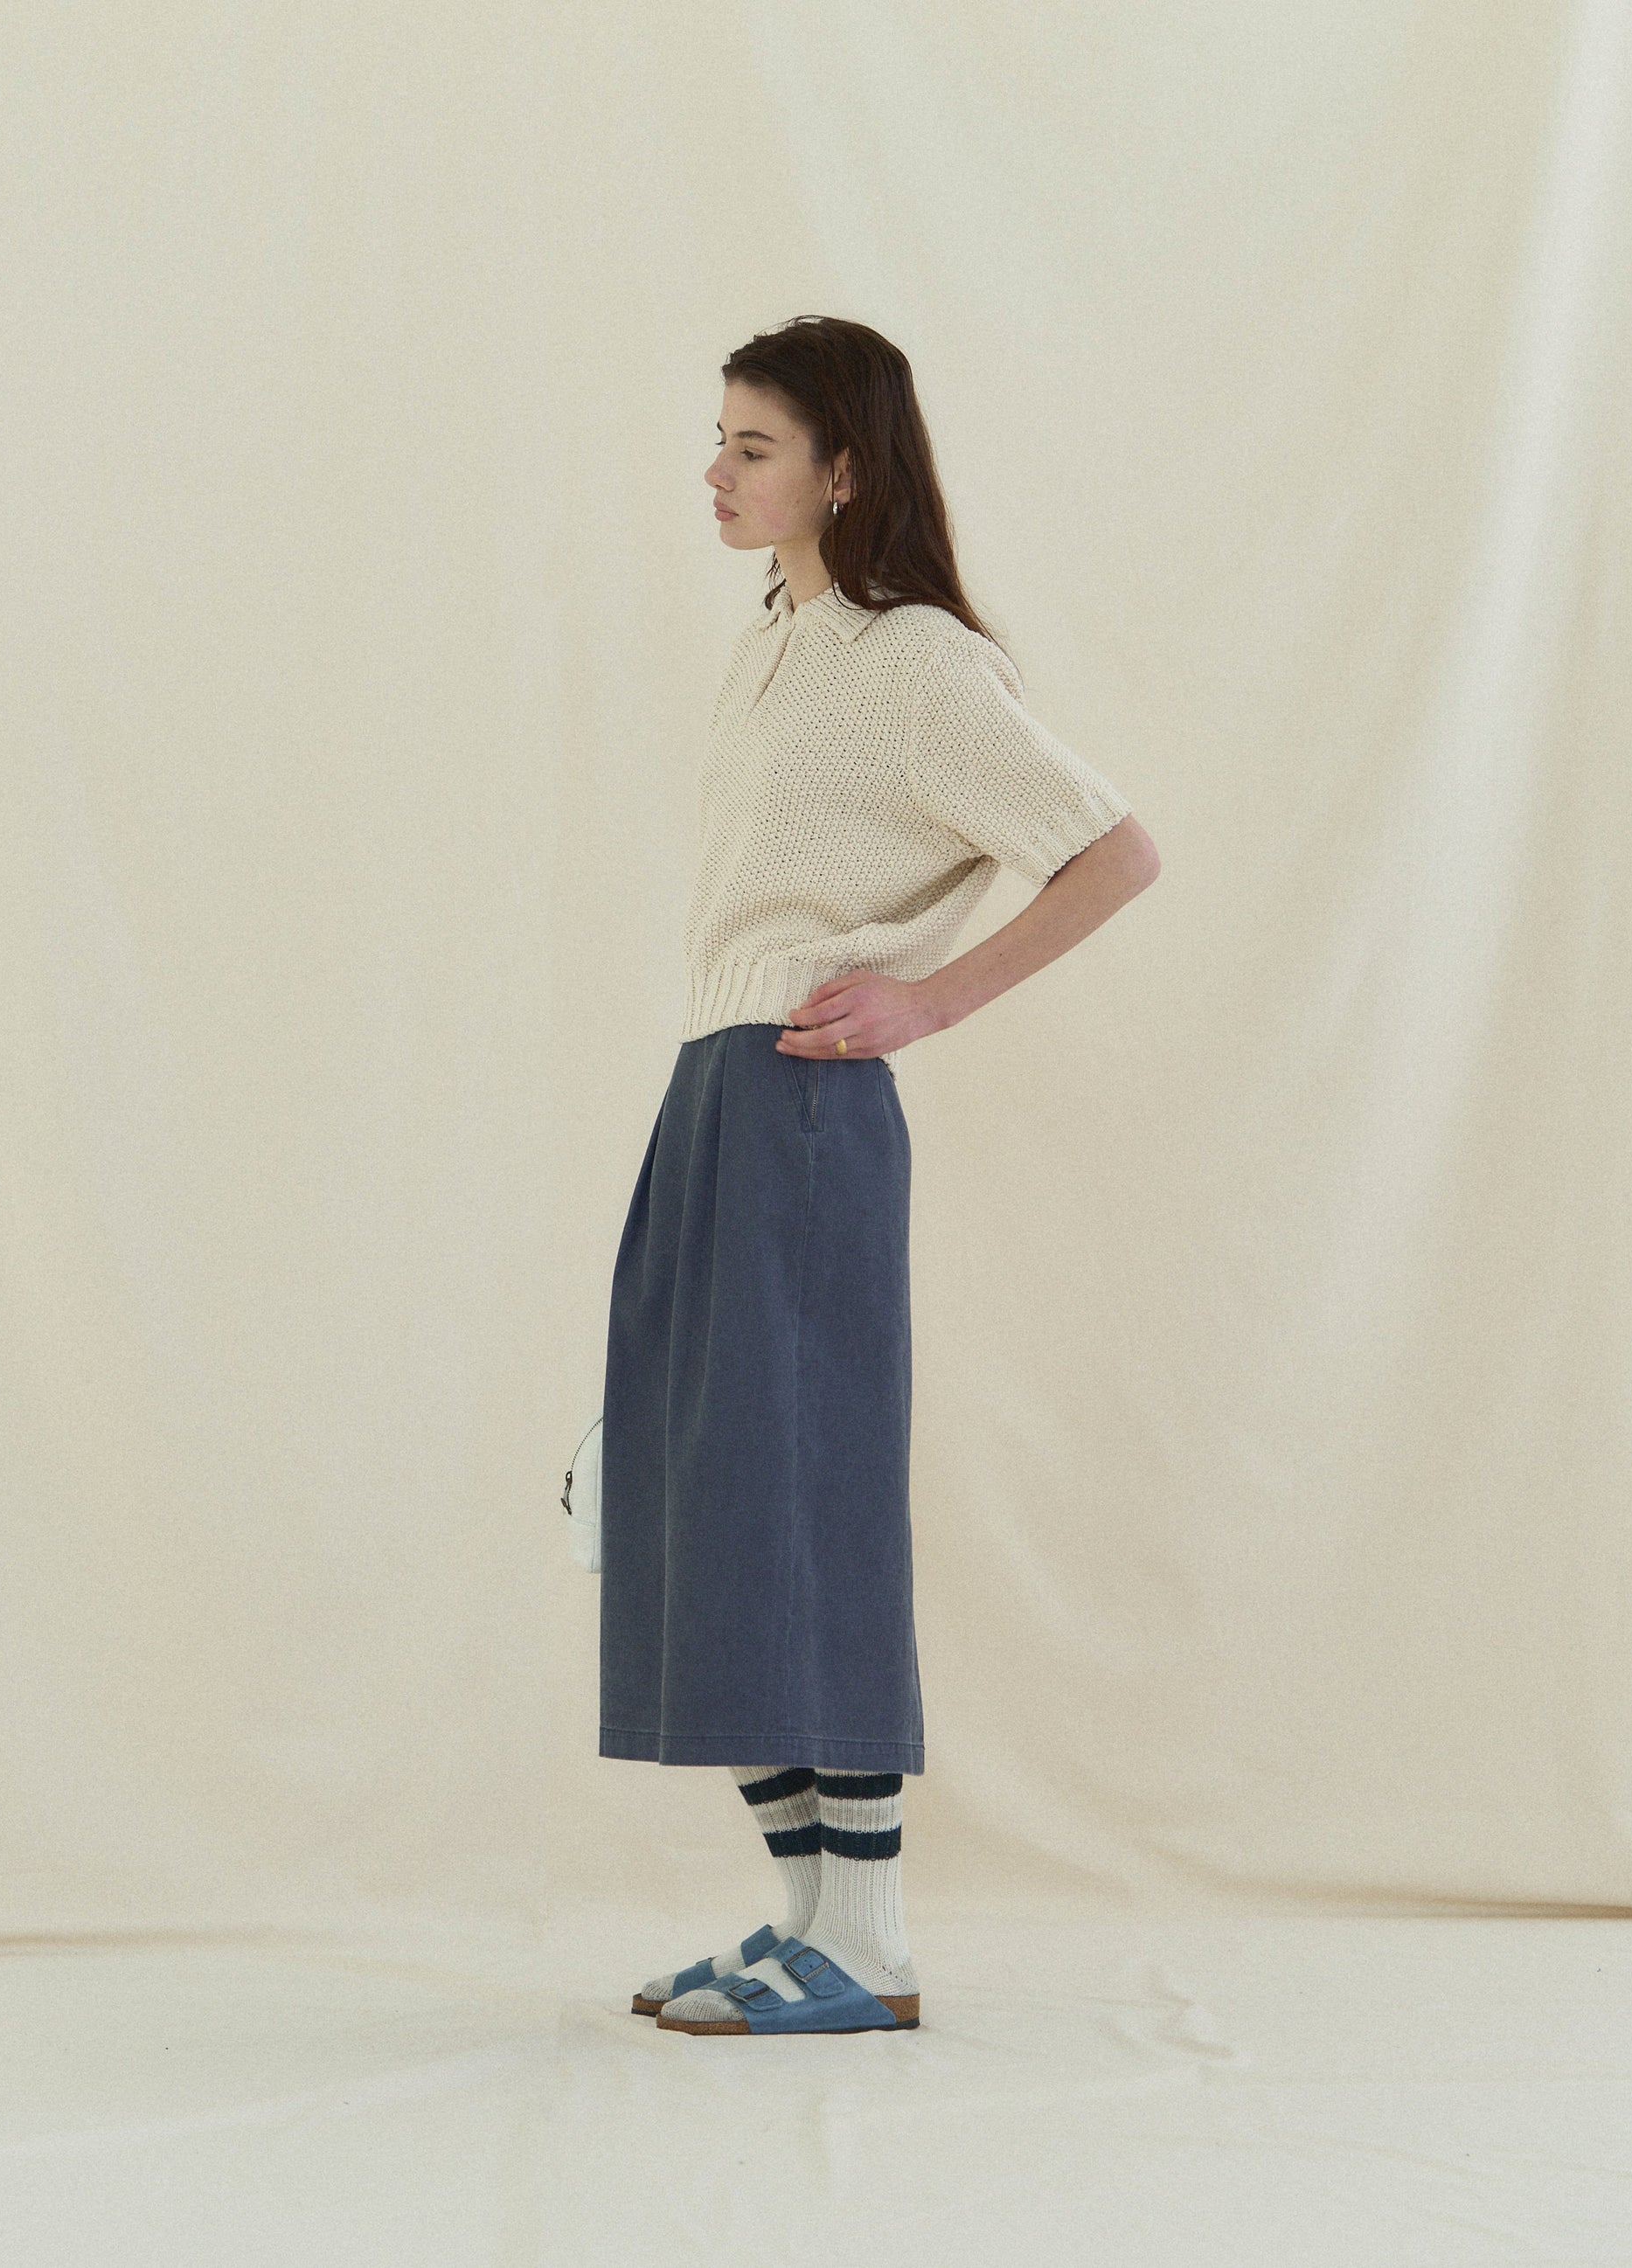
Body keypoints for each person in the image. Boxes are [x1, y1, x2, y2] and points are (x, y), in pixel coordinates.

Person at [599, 315, 1160, 2038]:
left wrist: (929, 998)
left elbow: (1112, 850)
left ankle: (872, 1937)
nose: (714, 470)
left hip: (804, 1109)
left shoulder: (913, 660)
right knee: (704, 1499)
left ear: (844, 468)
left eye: (752, 444)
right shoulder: (777, 643)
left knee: (803, 1497)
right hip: (717, 1085)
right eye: (717, 437)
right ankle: (805, 1920)